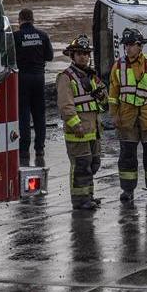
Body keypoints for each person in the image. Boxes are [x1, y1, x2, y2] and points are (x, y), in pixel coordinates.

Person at [108, 28, 147, 203]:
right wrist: (113, 114)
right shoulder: (118, 65)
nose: (127, 48)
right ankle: (127, 191)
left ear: (140, 46)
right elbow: (113, 92)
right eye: (125, 45)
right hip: (126, 117)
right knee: (127, 157)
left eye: (130, 45)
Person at [56, 36, 107, 211]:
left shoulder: (91, 76)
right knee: (81, 166)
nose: (84, 57)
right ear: (72, 55)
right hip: (77, 132)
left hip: (93, 130)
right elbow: (65, 105)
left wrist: (102, 95)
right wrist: (76, 124)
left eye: (86, 54)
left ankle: (88, 196)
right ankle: (79, 200)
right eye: (80, 54)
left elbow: (103, 102)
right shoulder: (66, 77)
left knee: (93, 164)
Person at [14, 9, 52, 167]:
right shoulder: (43, 36)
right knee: (39, 115)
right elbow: (49, 56)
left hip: (22, 78)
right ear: (33, 19)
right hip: (38, 78)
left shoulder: (15, 37)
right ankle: (40, 149)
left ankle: (24, 150)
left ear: (20, 20)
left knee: (23, 114)